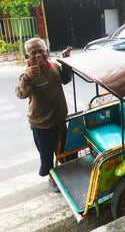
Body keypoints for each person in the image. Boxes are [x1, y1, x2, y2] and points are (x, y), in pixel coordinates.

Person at [15, 38, 72, 192]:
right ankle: (52, 177)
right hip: (42, 125)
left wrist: (66, 62)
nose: (38, 55)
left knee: (65, 150)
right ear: (28, 56)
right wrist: (27, 78)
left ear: (47, 52)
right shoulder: (27, 74)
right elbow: (20, 94)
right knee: (47, 156)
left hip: (60, 119)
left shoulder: (53, 66)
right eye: (33, 53)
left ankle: (66, 173)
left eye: (41, 51)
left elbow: (65, 80)